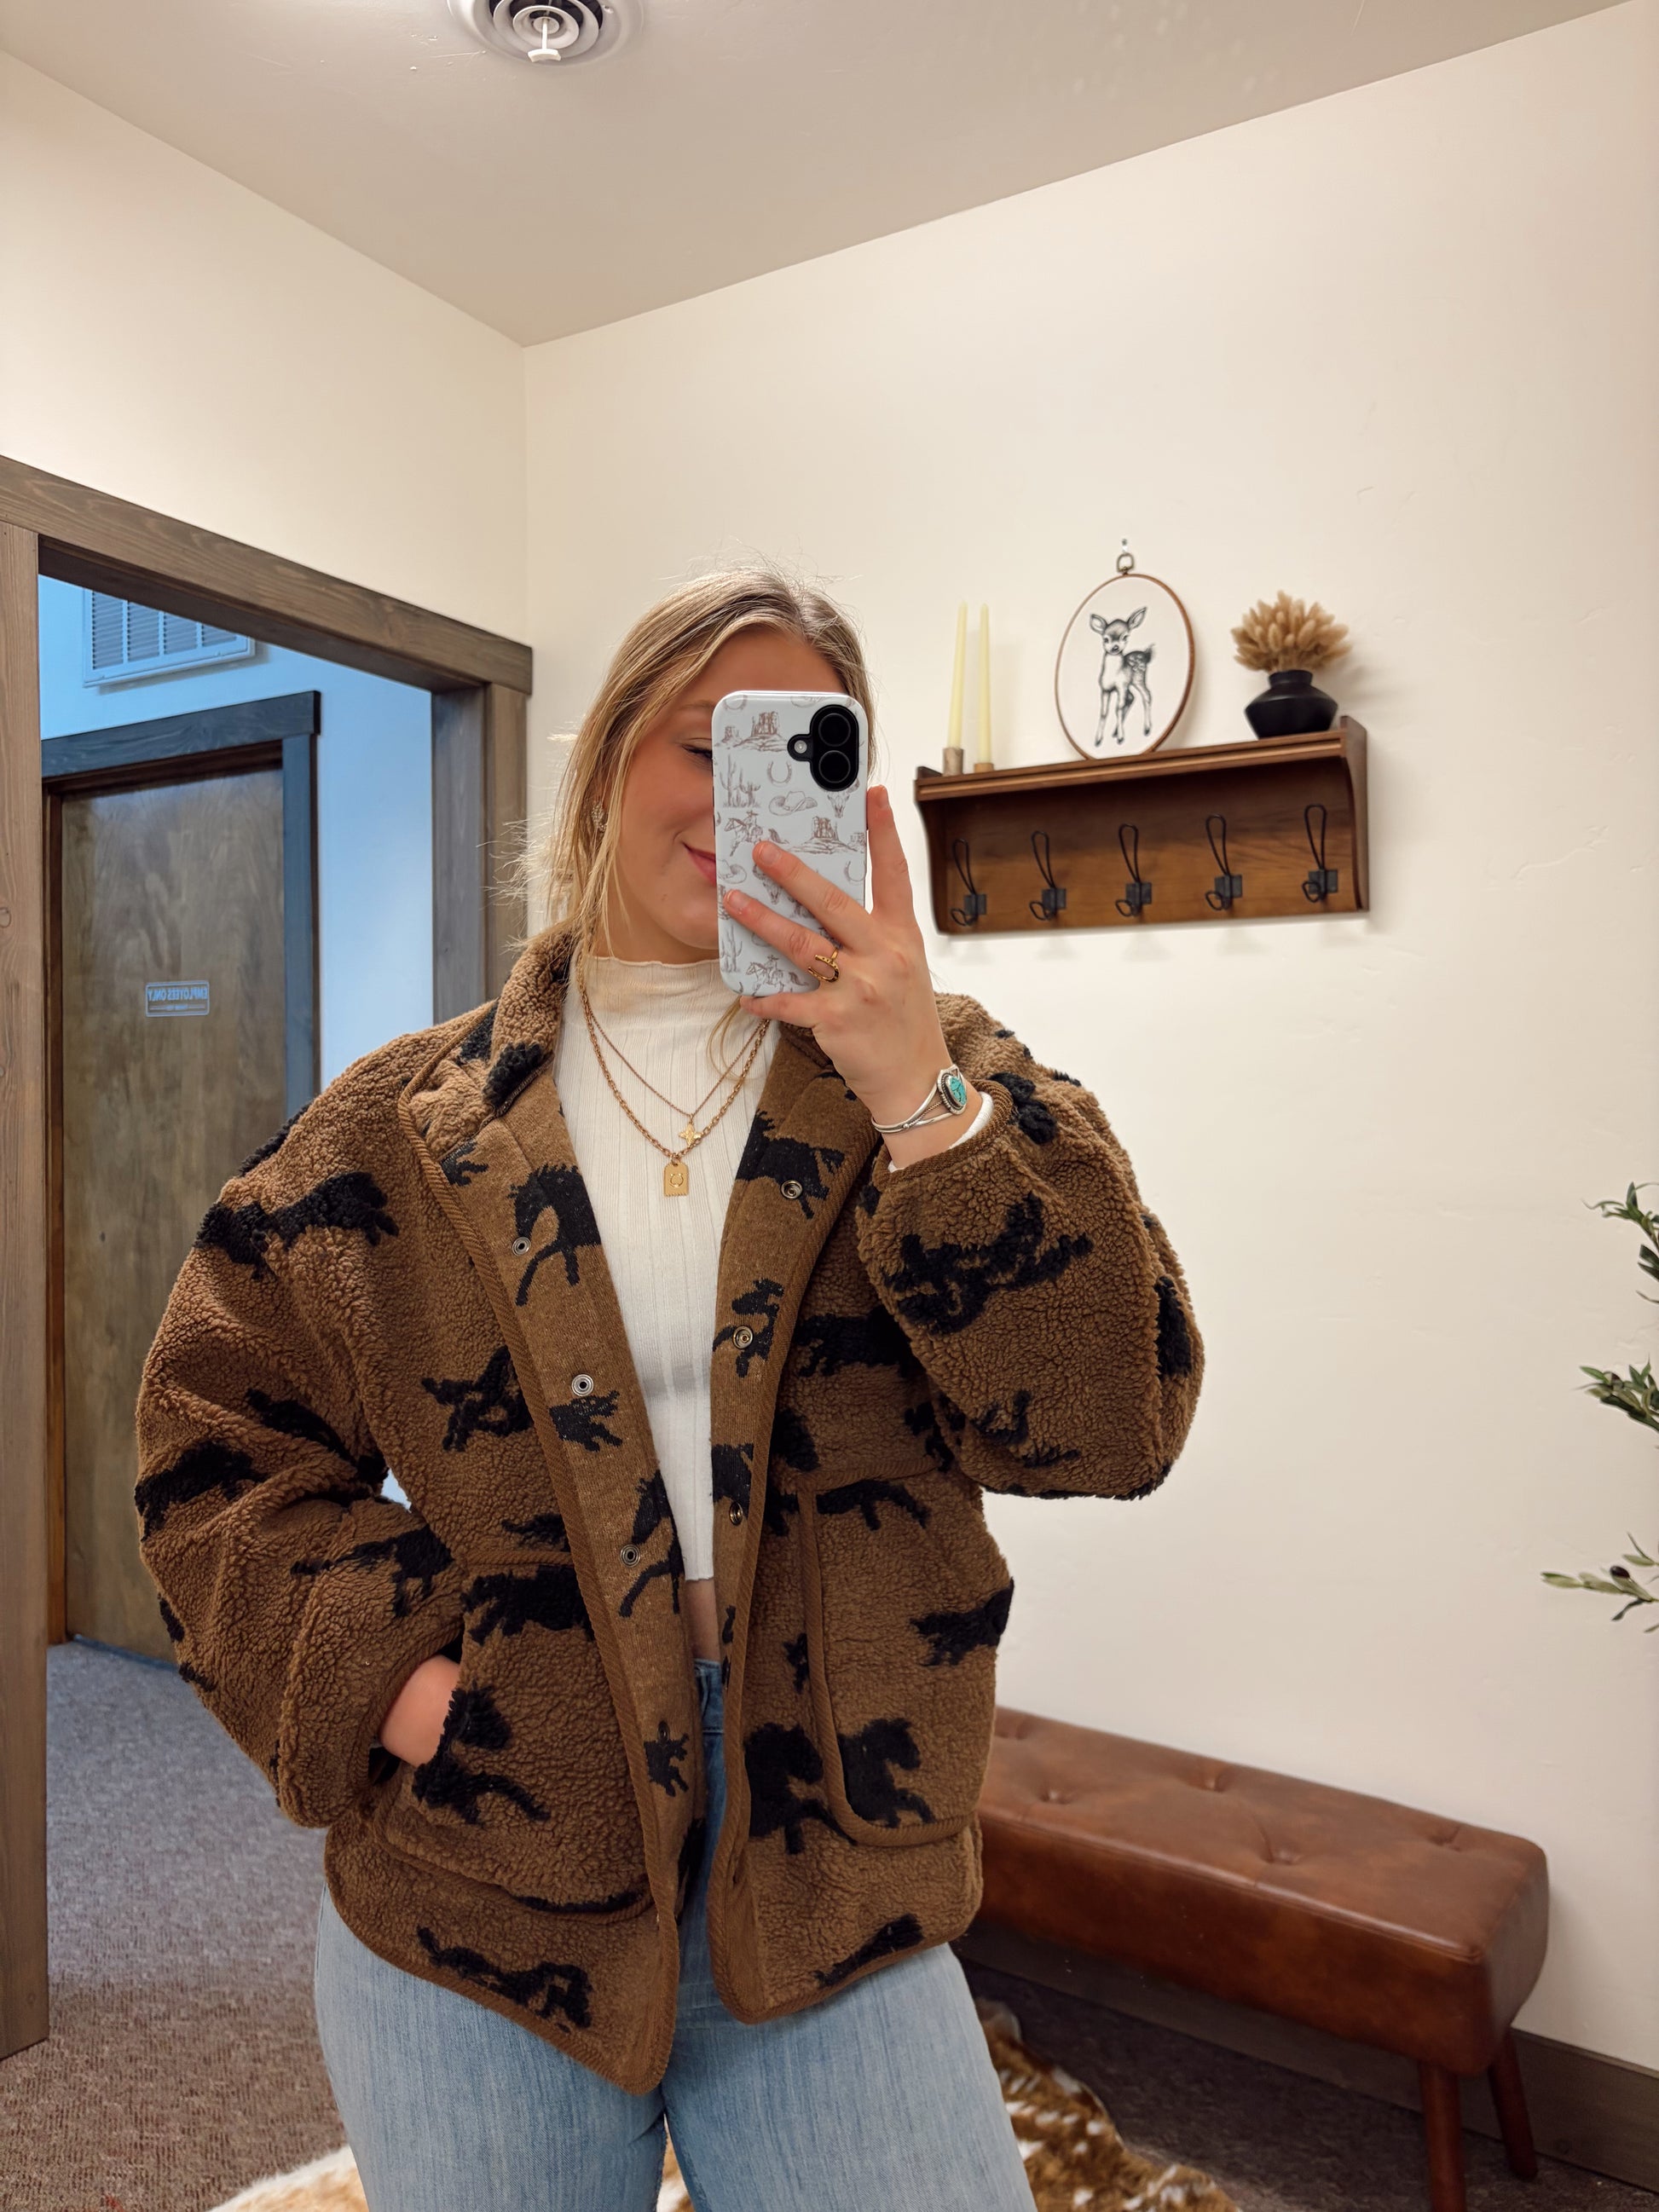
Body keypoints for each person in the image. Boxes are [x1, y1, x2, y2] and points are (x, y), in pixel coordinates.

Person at [135, 568, 1203, 2211]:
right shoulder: (403, 1125)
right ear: (605, 765)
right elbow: (210, 1441)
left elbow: (1107, 1425)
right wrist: (404, 1685)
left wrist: (914, 1087)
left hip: (836, 1857)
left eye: (808, 754)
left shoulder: (951, 1078)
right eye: (707, 744)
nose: (741, 798)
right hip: (492, 1871)